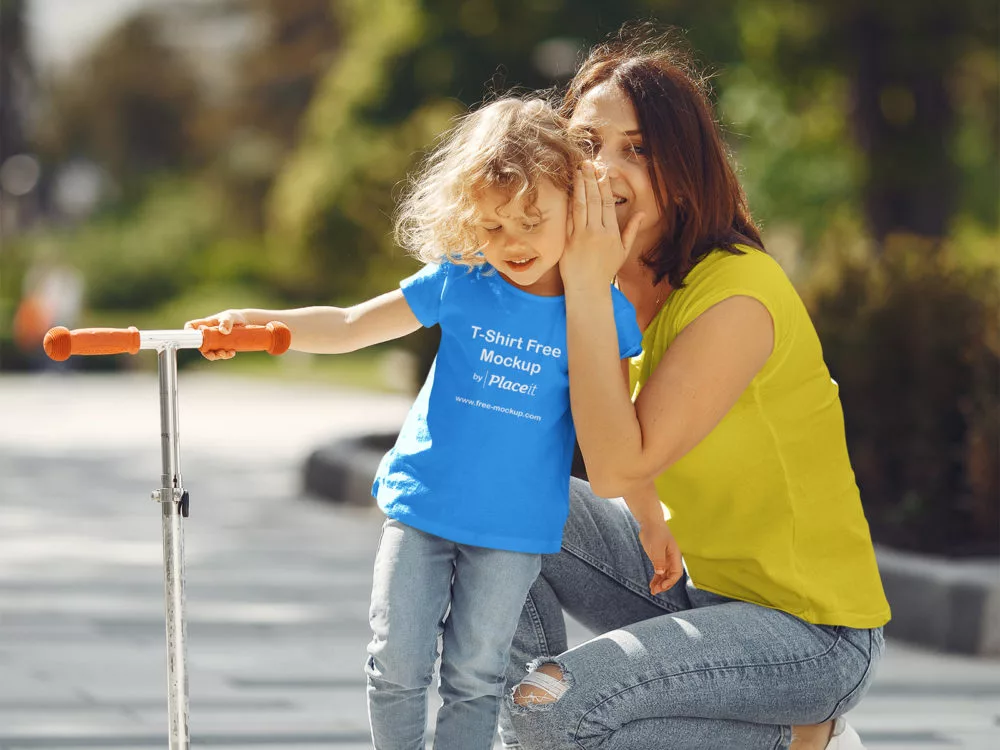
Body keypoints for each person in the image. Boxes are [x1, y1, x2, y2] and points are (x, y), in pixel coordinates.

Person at [184, 97, 644, 750]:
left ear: (575, 201)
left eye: (531, 220)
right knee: (395, 664)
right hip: (422, 506)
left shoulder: (601, 310)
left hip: (513, 530)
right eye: (491, 225)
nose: (512, 242)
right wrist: (257, 326)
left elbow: (617, 428)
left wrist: (652, 521)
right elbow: (351, 325)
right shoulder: (461, 280)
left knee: (475, 675)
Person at [499, 27, 891, 750]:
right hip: (692, 589)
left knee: (549, 707)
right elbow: (578, 448)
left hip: (811, 635)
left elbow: (617, 464)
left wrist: (585, 285)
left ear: (683, 170)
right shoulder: (614, 289)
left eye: (637, 149)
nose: (605, 168)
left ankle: (804, 738)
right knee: (490, 498)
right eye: (586, 145)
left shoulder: (736, 296)